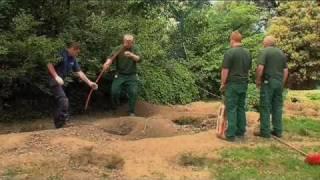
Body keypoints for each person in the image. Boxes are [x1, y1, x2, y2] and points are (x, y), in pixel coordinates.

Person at [47, 42, 98, 128]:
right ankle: (63, 123)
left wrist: (90, 83)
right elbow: (49, 64)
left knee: (61, 102)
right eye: (77, 52)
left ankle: (59, 125)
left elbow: (79, 72)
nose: (77, 54)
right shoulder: (61, 54)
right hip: (54, 80)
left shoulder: (72, 58)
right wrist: (56, 76)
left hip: (62, 81)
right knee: (63, 100)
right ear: (72, 49)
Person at [218, 31, 252, 142]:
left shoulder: (230, 53)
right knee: (241, 107)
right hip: (244, 83)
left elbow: (225, 70)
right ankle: (241, 130)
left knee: (231, 108)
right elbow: (248, 70)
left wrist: (223, 83)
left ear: (232, 40)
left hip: (232, 84)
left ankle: (230, 134)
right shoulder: (247, 53)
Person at [255, 36, 288, 138]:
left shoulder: (265, 52)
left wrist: (258, 80)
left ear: (266, 43)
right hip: (279, 83)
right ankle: (278, 131)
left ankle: (265, 132)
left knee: (265, 106)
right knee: (277, 107)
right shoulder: (281, 53)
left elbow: (260, 67)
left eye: (263, 42)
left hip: (268, 82)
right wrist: (281, 83)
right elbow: (286, 71)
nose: (263, 44)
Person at [102, 34, 142, 116]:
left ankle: (131, 112)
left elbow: (139, 59)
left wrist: (132, 55)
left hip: (132, 75)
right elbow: (111, 57)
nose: (128, 43)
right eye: (126, 42)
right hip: (120, 75)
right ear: (123, 41)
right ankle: (115, 108)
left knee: (133, 92)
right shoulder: (118, 48)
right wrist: (107, 63)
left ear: (133, 42)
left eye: (130, 42)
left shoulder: (135, 49)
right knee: (114, 92)